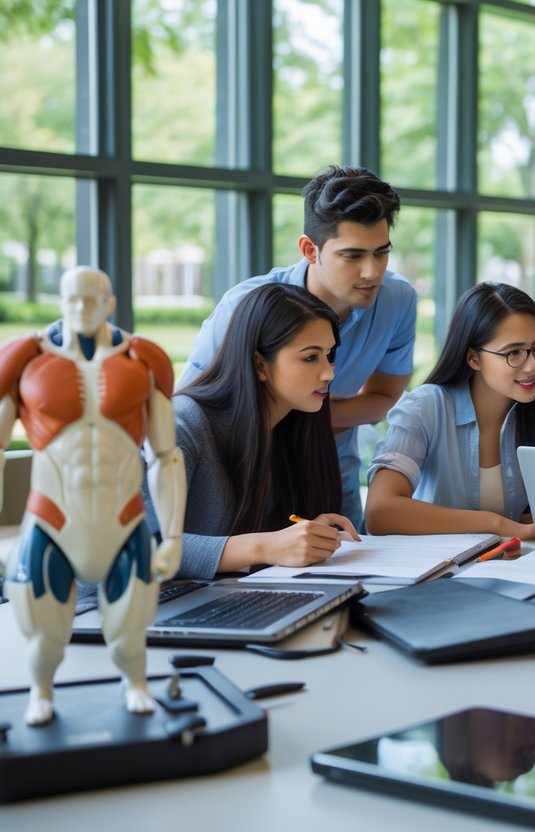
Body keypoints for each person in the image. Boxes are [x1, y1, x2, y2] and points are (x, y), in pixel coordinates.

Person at [180, 165, 416, 531]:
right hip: (243, 475)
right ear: (310, 249)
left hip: (327, 470)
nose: (372, 272)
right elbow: (198, 408)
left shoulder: (397, 300)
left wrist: (304, 414)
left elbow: (384, 397)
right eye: (352, 256)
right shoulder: (246, 308)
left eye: (381, 253)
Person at [0, 266, 184, 725]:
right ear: (61, 300)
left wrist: (174, 537)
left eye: (90, 300)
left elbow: (165, 456)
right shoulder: (24, 359)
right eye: (72, 300)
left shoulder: (143, 358)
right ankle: (41, 692)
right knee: (45, 635)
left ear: (110, 303)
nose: (81, 309)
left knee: (128, 636)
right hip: (52, 517)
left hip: (123, 517)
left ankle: (135, 685)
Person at [150, 283, 358, 579]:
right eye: (311, 357)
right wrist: (265, 547)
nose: (329, 373)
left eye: (329, 355)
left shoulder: (293, 428)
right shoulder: (182, 422)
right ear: (260, 364)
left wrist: (303, 539)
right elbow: (134, 546)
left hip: (225, 604)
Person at [365, 283, 535, 538]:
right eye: (514, 353)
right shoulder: (426, 407)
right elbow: (380, 512)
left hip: (516, 567)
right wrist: (495, 524)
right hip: (439, 570)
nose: (532, 366)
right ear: (473, 359)